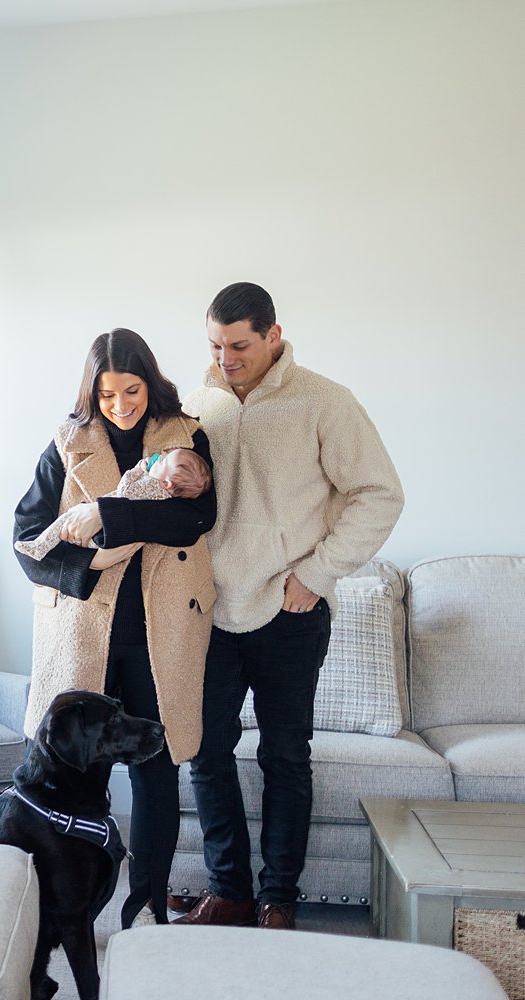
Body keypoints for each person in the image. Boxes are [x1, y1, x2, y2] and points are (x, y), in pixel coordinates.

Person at [175, 282, 403, 931]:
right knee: (206, 751)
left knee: (284, 755)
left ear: (273, 336)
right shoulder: (197, 407)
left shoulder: (324, 402)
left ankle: (278, 898)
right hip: (211, 612)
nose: (227, 359)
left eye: (239, 345)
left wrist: (315, 573)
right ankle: (230, 892)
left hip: (290, 611)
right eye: (216, 345)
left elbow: (380, 494)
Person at [13, 328, 218, 929]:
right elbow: (27, 546)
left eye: (132, 391)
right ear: (92, 392)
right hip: (84, 635)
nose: (122, 405)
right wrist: (94, 559)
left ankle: (147, 905)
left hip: (163, 638)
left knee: (158, 769)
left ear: (149, 384)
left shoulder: (185, 435)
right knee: (80, 774)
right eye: (107, 395)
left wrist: (104, 513)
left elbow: (194, 517)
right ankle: (64, 901)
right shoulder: (66, 443)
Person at [15, 448, 211, 561]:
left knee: (65, 521)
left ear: (167, 483)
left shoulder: (153, 485)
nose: (158, 457)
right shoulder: (166, 491)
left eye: (164, 461)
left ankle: (39, 546)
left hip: (105, 536)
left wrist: (137, 470)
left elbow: (125, 491)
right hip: (107, 539)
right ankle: (40, 546)